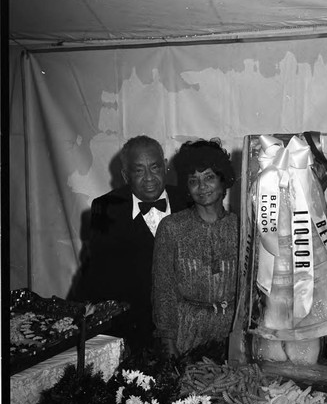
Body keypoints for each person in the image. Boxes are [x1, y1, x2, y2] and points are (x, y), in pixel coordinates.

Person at [72, 135, 187, 352]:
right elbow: (96, 272)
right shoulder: (105, 208)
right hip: (133, 331)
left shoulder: (189, 200)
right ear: (126, 175)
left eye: (154, 167)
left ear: (164, 167)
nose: (149, 178)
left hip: (186, 328)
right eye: (139, 171)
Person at [152, 138, 239, 358]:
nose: (202, 187)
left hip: (233, 335)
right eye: (193, 181)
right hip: (186, 336)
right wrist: (168, 344)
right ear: (187, 188)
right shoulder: (171, 228)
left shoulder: (242, 227)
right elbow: (164, 291)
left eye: (209, 177)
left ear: (223, 180)